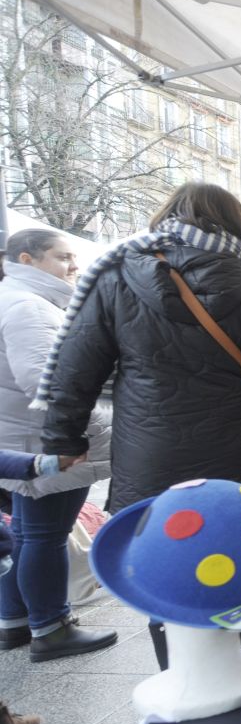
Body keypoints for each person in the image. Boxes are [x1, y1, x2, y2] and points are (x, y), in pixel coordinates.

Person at [37, 184, 241, 668]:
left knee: (164, 562)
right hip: (235, 448)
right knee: (234, 552)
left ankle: (179, 670)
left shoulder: (117, 273)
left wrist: (62, 438)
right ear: (236, 226)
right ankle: (236, 669)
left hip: (149, 451)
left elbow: (75, 367)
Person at [0, 229, 117, 661]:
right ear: (27, 259)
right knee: (46, 535)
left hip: (21, 437)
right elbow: (47, 382)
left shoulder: (17, 299)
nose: (73, 266)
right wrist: (95, 416)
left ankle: (14, 622)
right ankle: (51, 628)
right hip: (47, 442)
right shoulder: (30, 307)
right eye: (63, 257)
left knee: (28, 534)